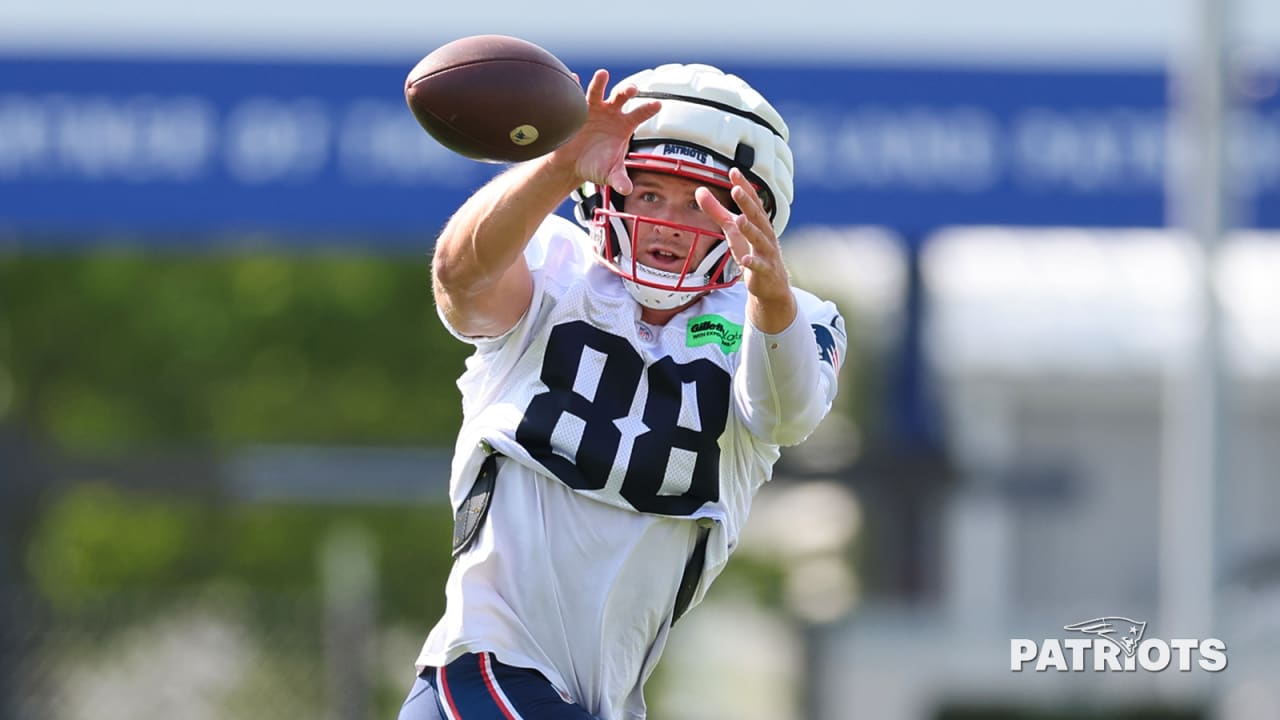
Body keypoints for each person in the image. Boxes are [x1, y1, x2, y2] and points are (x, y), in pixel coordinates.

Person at [399, 62, 846, 720]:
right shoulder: (554, 265)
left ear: (750, 217)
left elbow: (789, 415)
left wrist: (771, 296)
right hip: (484, 670)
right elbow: (460, 283)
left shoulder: (787, 320)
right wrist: (557, 165)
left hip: (594, 699)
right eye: (647, 194)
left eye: (698, 203)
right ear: (606, 192)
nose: (668, 222)